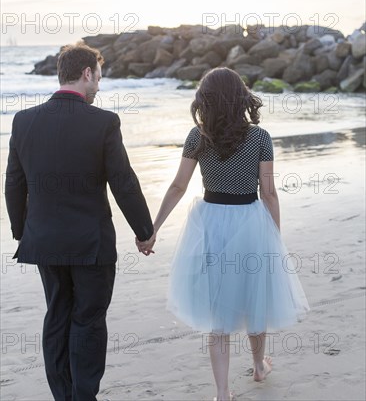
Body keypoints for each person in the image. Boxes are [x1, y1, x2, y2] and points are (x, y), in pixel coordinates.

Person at [137, 67, 310, 401]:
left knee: (219, 310)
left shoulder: (197, 136)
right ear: (240, 96)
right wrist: (274, 235)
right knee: (254, 298)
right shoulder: (260, 137)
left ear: (205, 99)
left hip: (210, 223)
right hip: (251, 221)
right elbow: (269, 192)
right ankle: (259, 367)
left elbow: (177, 186)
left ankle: (221, 392)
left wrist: (152, 230)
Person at [5, 42, 155, 401]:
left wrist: (21, 231)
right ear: (87, 73)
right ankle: (84, 395)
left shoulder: (24, 121)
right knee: (88, 318)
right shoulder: (103, 122)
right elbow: (124, 182)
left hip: (44, 242)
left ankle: (64, 395)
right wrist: (144, 231)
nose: (99, 86)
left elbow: (13, 183)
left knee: (57, 314)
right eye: (99, 78)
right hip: (91, 245)